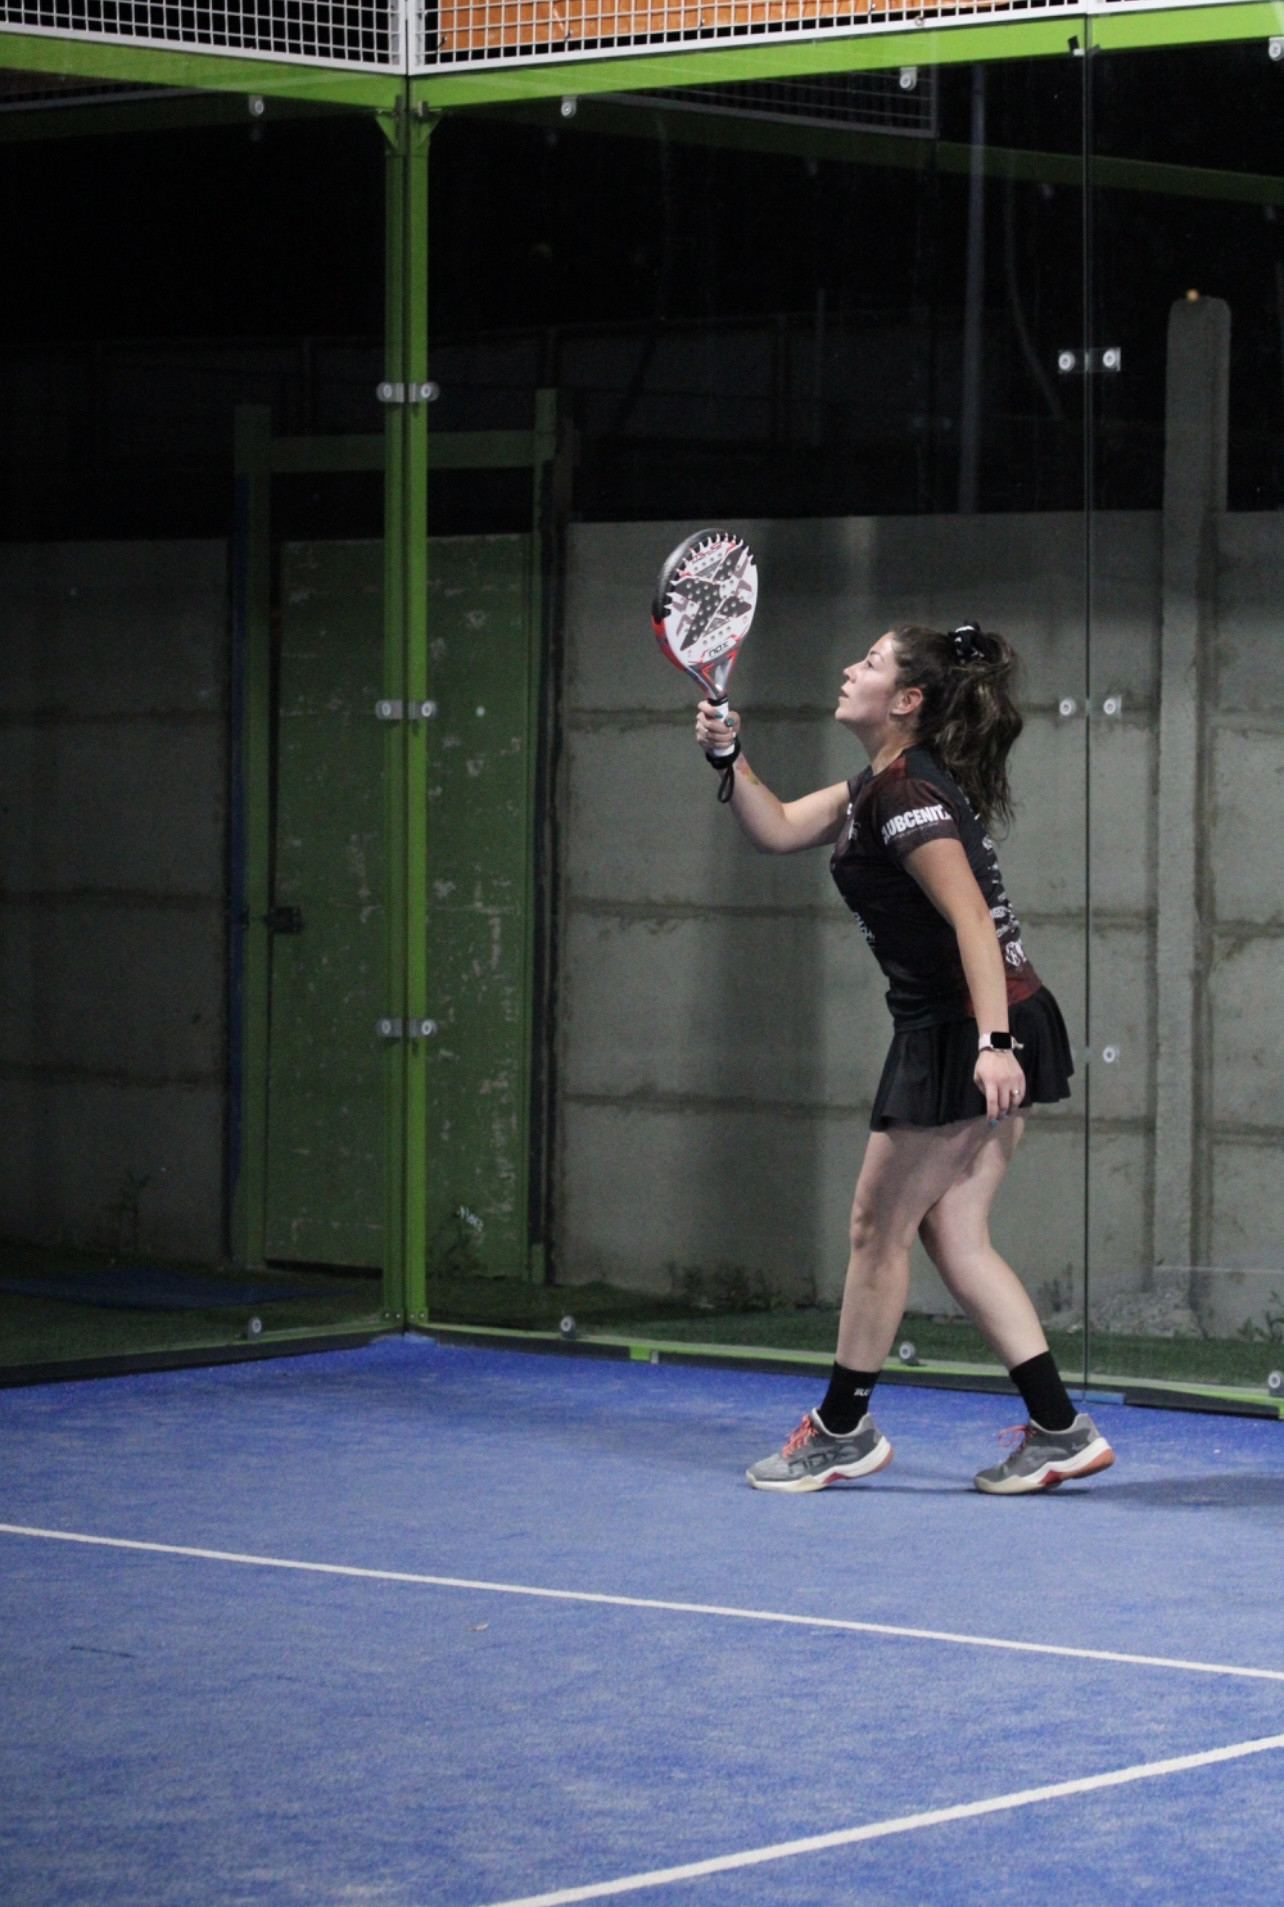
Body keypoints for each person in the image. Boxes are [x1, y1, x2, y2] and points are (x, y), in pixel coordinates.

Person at [694, 621, 1114, 1496]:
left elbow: (971, 921)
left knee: (874, 1226)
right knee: (951, 1230)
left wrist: (993, 1045)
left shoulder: (908, 794)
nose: (850, 668)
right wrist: (730, 757)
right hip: (983, 1019)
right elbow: (776, 827)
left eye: (872, 662)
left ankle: (842, 1428)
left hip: (971, 1027)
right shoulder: (873, 787)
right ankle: (1059, 1428)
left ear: (908, 700)